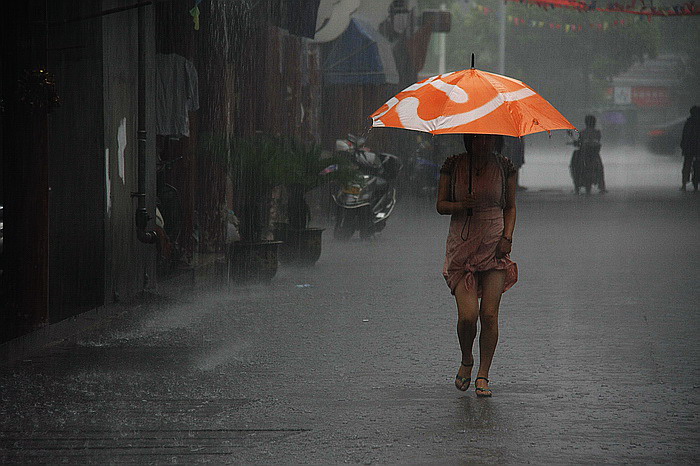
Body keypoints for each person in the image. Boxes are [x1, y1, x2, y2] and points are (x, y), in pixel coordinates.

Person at [437, 134, 518, 397]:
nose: (481, 143)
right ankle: (466, 359)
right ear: (467, 140)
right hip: (462, 246)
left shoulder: (505, 167)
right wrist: (461, 205)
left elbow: (510, 206)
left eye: (487, 139)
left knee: (490, 315)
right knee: (468, 317)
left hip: (494, 245)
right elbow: (440, 205)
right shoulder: (453, 165)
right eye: (476, 139)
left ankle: (483, 374)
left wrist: (507, 237)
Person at [572, 115, 607, 194]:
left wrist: (576, 143)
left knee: (575, 166)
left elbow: (579, 143)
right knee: (600, 168)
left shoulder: (582, 132)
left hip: (585, 154)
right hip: (594, 153)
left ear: (586, 123)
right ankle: (602, 186)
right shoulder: (597, 132)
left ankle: (576, 186)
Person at [680, 106, 700, 192]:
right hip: (698, 148)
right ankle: (696, 184)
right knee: (697, 166)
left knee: (687, 166)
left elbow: (685, 136)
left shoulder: (689, 122)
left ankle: (684, 184)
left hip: (689, 148)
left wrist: (683, 146)